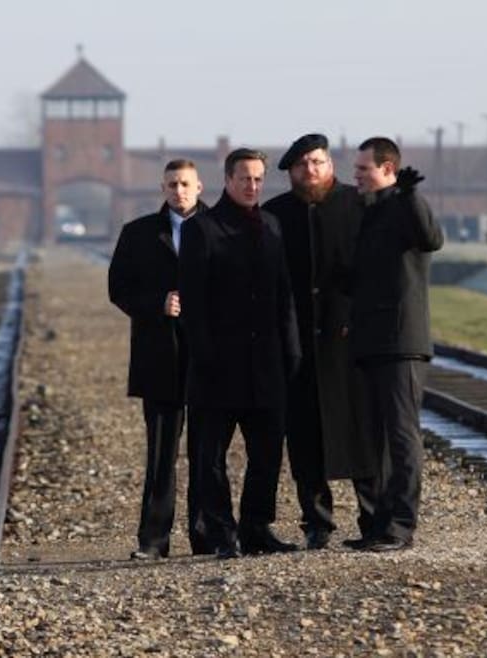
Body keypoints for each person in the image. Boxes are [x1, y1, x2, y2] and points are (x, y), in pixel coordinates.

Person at [178, 148, 301, 559]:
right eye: (245, 178)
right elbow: (193, 304)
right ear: (228, 180)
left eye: (258, 179)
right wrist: (204, 356)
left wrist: (291, 350)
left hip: (266, 364)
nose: (252, 186)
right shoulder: (203, 229)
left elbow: (284, 296)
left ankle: (256, 528)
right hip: (217, 366)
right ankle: (221, 532)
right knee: (210, 457)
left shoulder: (272, 226)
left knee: (267, 452)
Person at [263, 134, 376, 550]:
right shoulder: (275, 215)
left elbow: (375, 271)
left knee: (362, 429)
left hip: (349, 339)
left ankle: (373, 515)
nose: (310, 170)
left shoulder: (358, 206)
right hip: (296, 342)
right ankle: (317, 521)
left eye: (317, 162)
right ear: (291, 172)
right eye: (302, 165)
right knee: (305, 434)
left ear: (331, 165)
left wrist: (355, 315)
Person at [108, 159, 211, 559]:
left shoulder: (218, 228)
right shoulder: (138, 234)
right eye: (172, 184)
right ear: (163, 188)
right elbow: (118, 288)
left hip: (208, 356)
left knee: (207, 453)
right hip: (159, 354)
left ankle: (206, 536)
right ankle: (153, 540)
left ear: (199, 186)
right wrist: (156, 304)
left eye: (185, 184)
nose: (179, 191)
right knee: (161, 454)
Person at [347, 137, 444, 552]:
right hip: (372, 342)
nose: (357, 177)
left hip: (401, 342)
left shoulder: (403, 205)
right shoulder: (370, 213)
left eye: (364, 169)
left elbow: (431, 238)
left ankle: (401, 526)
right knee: (377, 441)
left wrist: (411, 194)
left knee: (402, 438)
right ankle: (379, 525)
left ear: (387, 169)